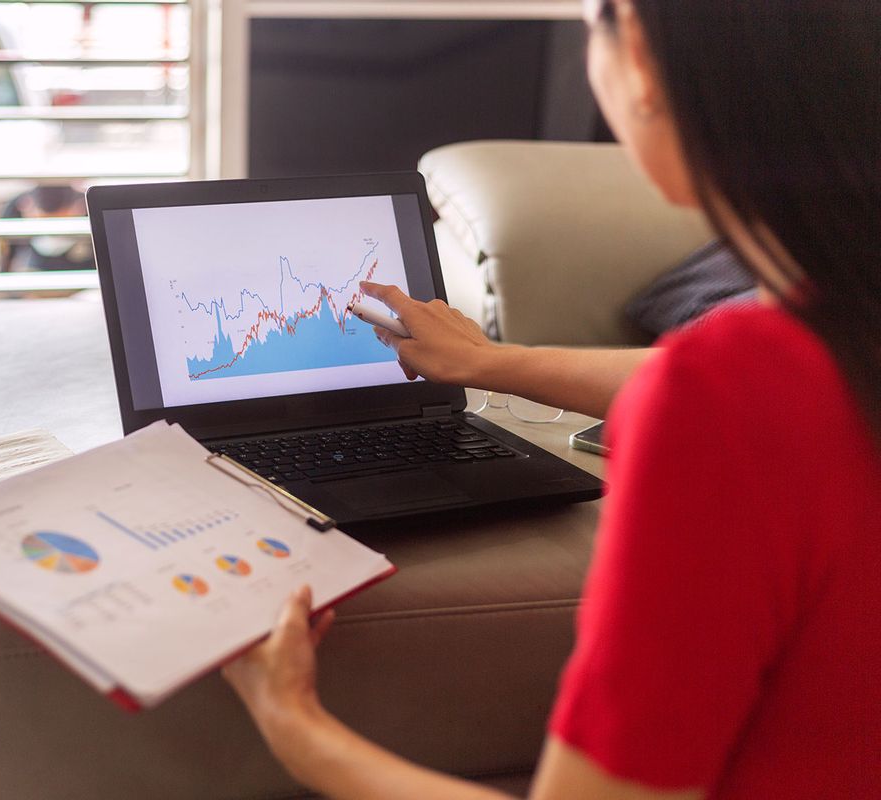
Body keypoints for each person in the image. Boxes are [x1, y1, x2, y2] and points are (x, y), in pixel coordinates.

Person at [223, 2, 881, 798]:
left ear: (636, 53)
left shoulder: (726, 400)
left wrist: (292, 721)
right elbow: (776, 393)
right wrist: (493, 363)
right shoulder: (817, 349)